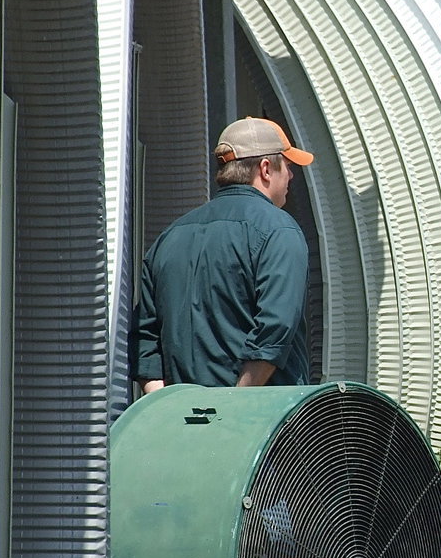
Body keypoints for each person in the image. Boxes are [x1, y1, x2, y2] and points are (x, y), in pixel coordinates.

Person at [131, 117, 314, 392]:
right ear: (266, 169)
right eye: (288, 166)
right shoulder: (279, 230)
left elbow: (145, 341)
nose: (291, 175)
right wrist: (233, 404)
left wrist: (168, 406)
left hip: (182, 416)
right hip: (263, 413)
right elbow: (275, 329)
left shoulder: (169, 237)